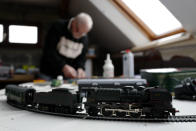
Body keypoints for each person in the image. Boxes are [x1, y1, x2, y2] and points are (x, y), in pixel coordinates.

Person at [40, 12, 93, 79]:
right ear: (74, 22)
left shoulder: (84, 37)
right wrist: (63, 66)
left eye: (83, 33)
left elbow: (82, 58)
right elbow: (49, 51)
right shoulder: (58, 26)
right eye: (77, 31)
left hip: (67, 78)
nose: (79, 36)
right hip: (48, 74)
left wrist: (80, 68)